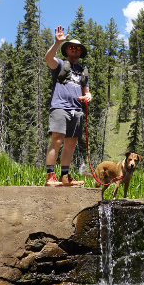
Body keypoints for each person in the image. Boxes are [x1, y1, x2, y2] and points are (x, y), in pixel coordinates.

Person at [44, 26, 92, 187]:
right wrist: (57, 43)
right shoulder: (60, 65)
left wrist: (88, 96)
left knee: (70, 144)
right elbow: (48, 58)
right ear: (67, 50)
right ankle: (50, 176)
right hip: (60, 107)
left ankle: (65, 176)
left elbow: (87, 91)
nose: (74, 50)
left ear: (80, 52)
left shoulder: (82, 71)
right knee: (57, 140)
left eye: (77, 48)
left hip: (77, 110)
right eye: (71, 47)